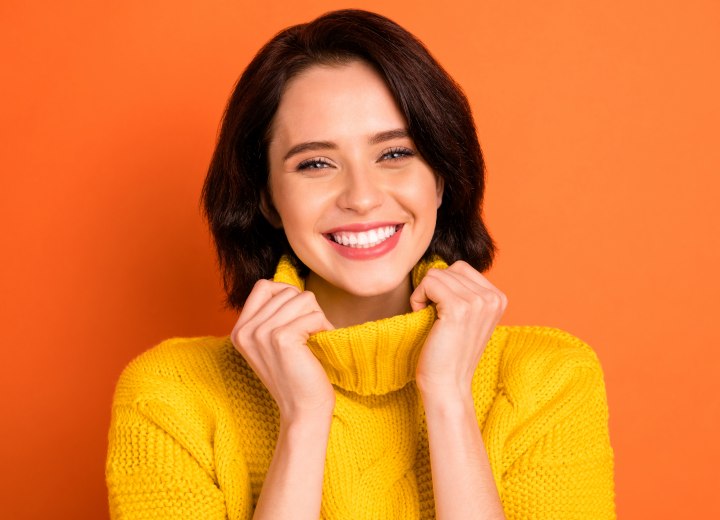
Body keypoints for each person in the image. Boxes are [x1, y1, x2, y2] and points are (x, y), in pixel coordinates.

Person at [106, 9, 615, 520]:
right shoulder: (171, 394)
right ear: (267, 199)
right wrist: (303, 419)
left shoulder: (548, 378)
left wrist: (448, 399)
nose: (362, 197)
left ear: (439, 177)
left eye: (395, 153)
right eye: (316, 163)